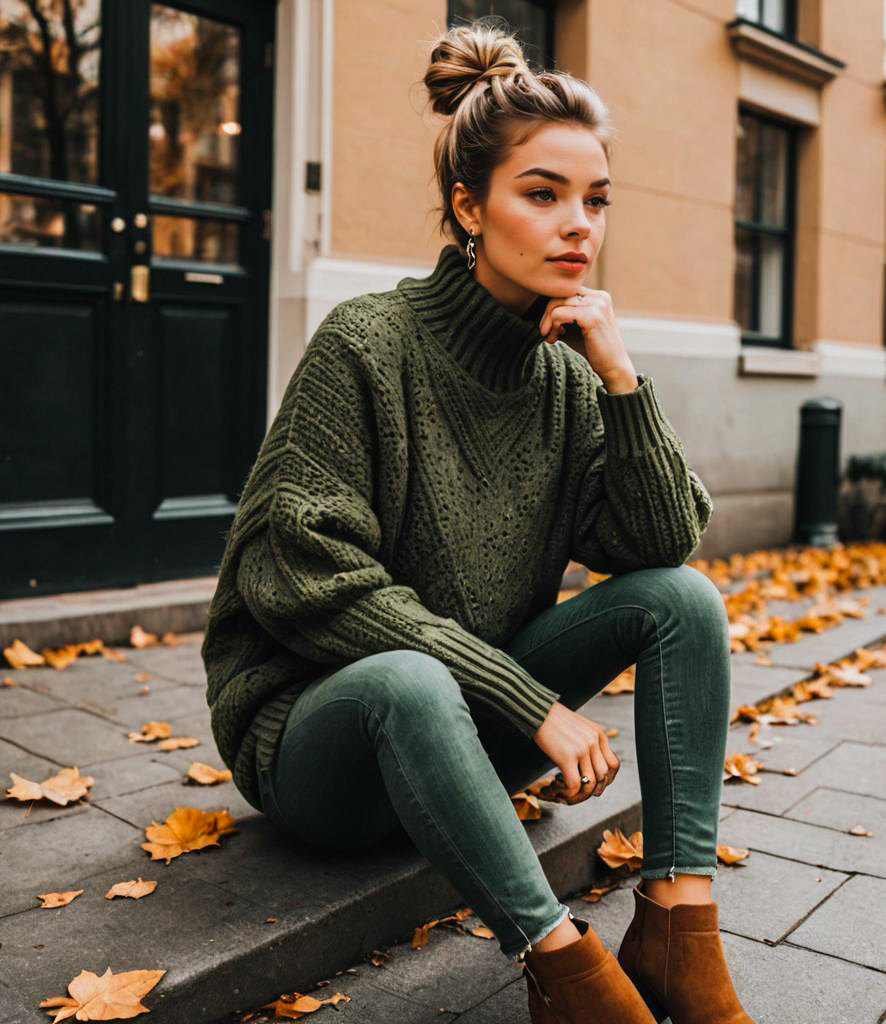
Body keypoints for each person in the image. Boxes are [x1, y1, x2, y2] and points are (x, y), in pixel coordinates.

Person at [201, 18, 754, 1024]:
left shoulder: (568, 371)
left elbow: (660, 544)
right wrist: (527, 699)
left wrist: (622, 382)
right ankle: (562, 967)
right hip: (318, 745)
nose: (577, 224)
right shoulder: (369, 343)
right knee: (409, 679)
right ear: (469, 206)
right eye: (541, 195)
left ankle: (678, 920)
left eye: (594, 200)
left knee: (686, 602)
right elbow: (300, 570)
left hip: (468, 733)